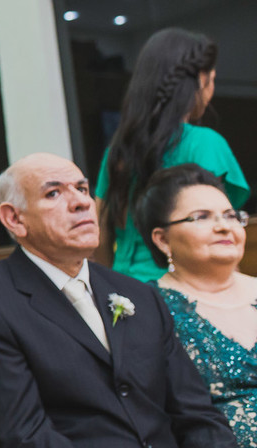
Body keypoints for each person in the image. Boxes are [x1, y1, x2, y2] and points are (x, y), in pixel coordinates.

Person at [0, 152, 249, 448]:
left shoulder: (139, 296)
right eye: (53, 193)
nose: (81, 202)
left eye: (82, 189)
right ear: (14, 218)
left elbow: (199, 416)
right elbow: (23, 442)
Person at [134, 164, 257, 448]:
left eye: (231, 215)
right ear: (162, 239)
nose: (223, 226)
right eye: (201, 217)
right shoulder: (148, 309)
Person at [96, 27, 249, 282]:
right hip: (185, 287)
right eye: (212, 78)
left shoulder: (117, 151)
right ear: (200, 80)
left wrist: (110, 288)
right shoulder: (204, 144)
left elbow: (101, 234)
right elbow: (220, 238)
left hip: (123, 290)